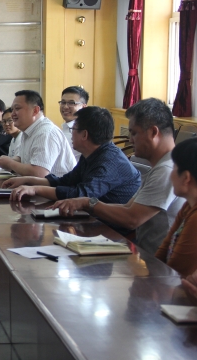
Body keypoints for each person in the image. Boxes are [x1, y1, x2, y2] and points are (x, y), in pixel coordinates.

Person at [51, 98, 185, 255]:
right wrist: (84, 202)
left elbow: (132, 219)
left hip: (163, 265)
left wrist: (89, 203)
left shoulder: (167, 170)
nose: (130, 140)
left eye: (134, 133)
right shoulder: (162, 166)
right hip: (147, 256)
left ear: (154, 132)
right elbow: (128, 207)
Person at [4, 107, 141, 204]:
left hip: (111, 230)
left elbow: (81, 195)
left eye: (73, 129)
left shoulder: (108, 161)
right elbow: (65, 181)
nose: (71, 134)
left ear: (85, 135)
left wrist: (35, 190)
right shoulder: (91, 154)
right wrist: (28, 181)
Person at [0, 90, 75, 177]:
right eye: (12, 109)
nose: (13, 114)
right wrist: (6, 161)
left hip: (57, 189)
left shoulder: (46, 133)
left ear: (35, 110)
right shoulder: (28, 130)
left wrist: (10, 163)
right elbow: (24, 158)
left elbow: (39, 173)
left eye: (17, 109)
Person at [155, 138, 197, 277]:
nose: (171, 174)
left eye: (174, 167)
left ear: (186, 177)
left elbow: (176, 272)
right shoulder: (188, 206)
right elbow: (163, 252)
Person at [59, 86, 88, 161]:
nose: (65, 107)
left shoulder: (82, 131)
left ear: (83, 107)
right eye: (63, 102)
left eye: (71, 103)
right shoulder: (66, 128)